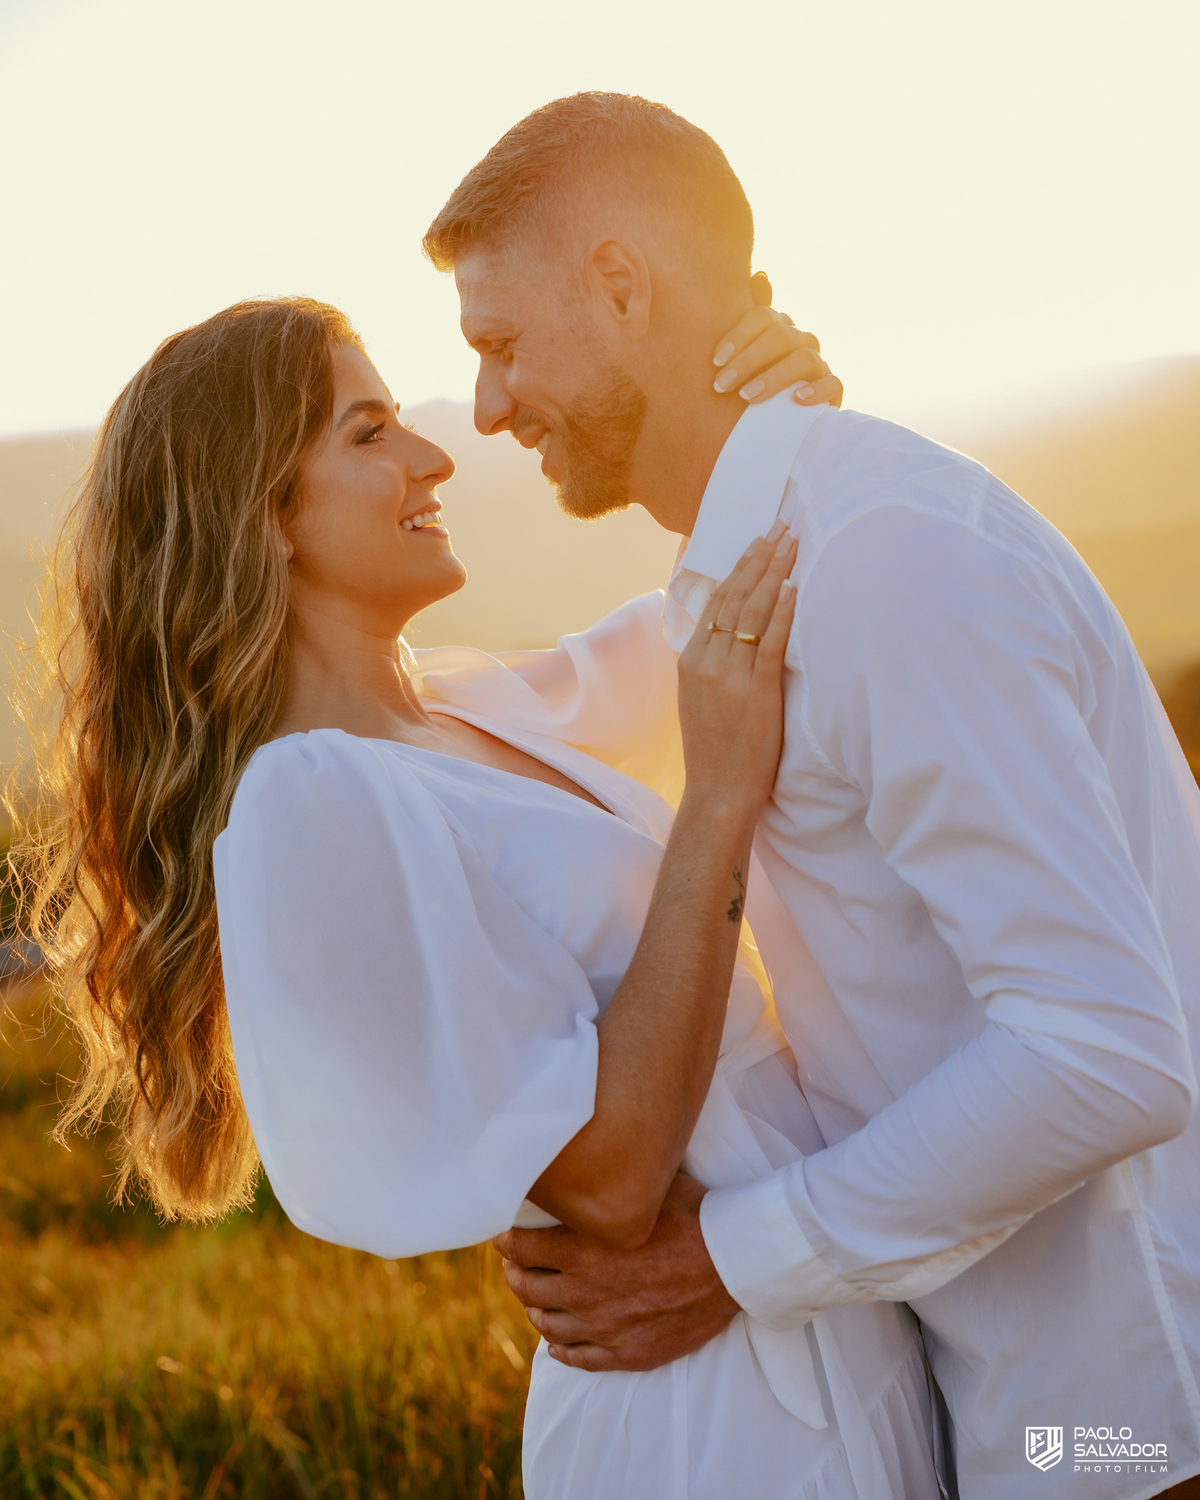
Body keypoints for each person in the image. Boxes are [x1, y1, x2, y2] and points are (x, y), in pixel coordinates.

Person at [23, 296, 942, 1499]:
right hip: (708, 1412)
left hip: (817, 1326)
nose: (433, 456)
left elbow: (721, 612)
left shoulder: (460, 712)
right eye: (367, 434)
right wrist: (714, 805)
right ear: (264, 515)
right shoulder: (314, 801)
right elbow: (607, 1183)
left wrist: (775, 424)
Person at [422, 92, 1200, 1499]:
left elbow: (1108, 1049)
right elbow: (479, 718)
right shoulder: (758, 567)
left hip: (1131, 1409)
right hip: (1013, 1388)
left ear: (620, 285)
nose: (485, 407)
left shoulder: (887, 559)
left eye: (499, 344)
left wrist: (726, 1259)